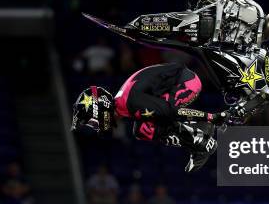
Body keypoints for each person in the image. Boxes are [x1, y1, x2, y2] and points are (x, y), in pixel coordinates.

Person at [72, 63, 223, 172]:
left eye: (92, 121)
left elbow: (171, 111)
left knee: (150, 125)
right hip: (175, 83)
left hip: (187, 82)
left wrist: (210, 117)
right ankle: (199, 133)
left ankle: (203, 143)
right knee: (142, 130)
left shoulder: (130, 102)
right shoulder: (122, 104)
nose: (94, 126)